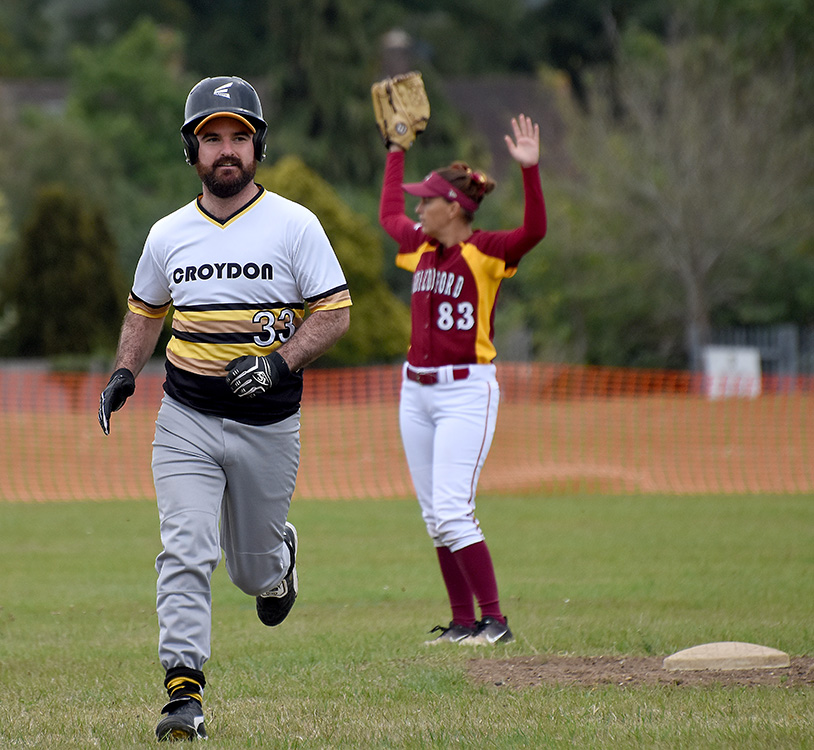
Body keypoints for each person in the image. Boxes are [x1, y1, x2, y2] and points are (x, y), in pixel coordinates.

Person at [97, 76, 351, 741]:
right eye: (212, 138)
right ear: (193, 151)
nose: (226, 149)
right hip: (185, 417)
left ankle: (278, 562)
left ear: (258, 146)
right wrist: (124, 371)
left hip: (269, 424)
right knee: (185, 547)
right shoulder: (167, 233)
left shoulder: (295, 225)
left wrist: (279, 363)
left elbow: (334, 313)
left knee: (251, 571)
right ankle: (183, 694)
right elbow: (145, 310)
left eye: (240, 136)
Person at [378, 113, 546, 646]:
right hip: (415, 391)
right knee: (435, 516)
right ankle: (462, 623)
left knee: (453, 510)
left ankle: (495, 623)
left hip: (465, 392)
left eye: (426, 201)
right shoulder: (421, 247)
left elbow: (534, 232)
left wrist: (530, 171)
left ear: (452, 208)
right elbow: (388, 214)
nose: (417, 209)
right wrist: (396, 150)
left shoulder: (487, 251)